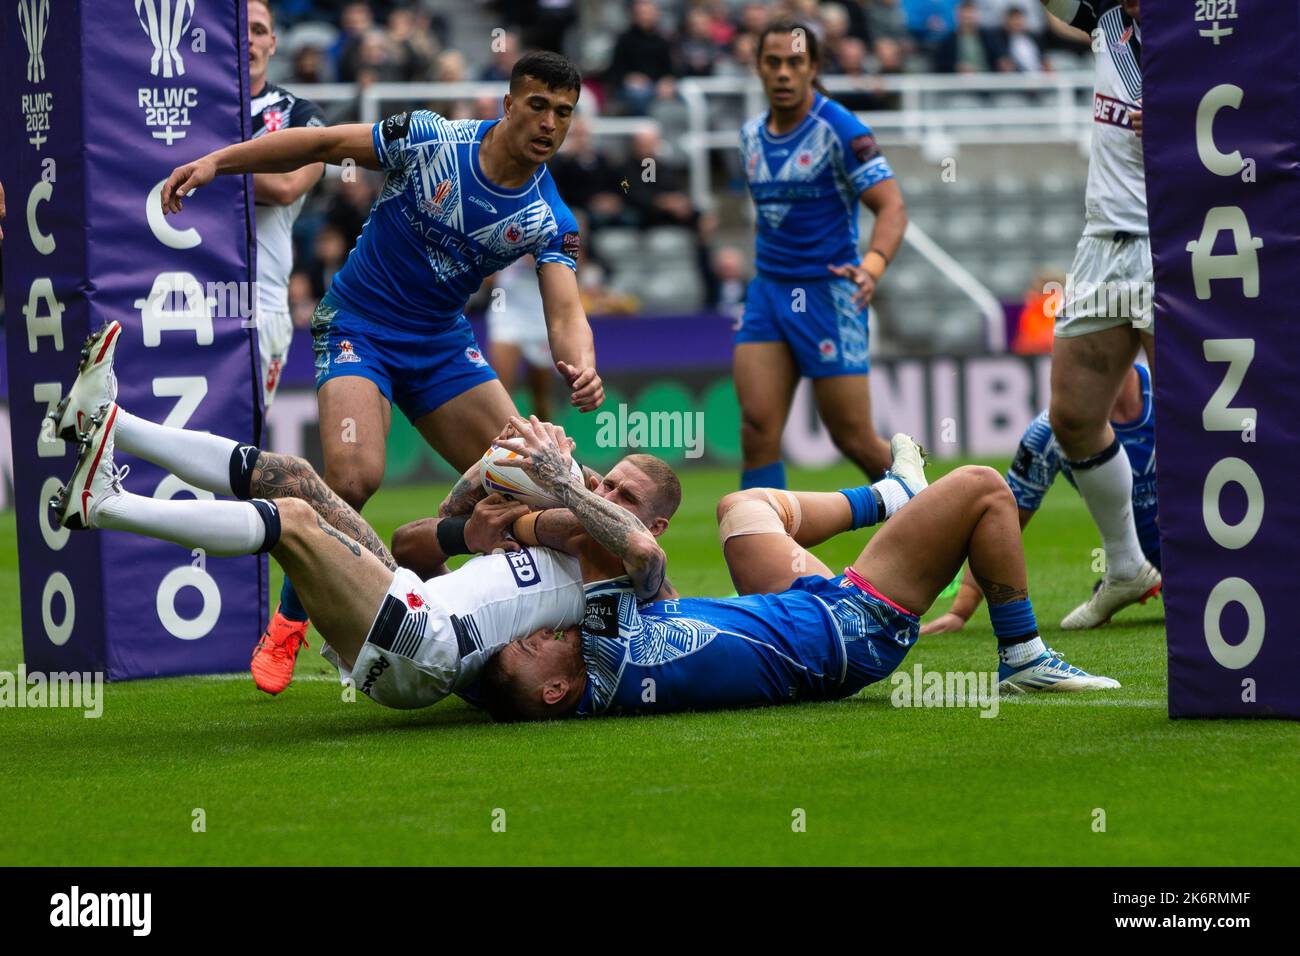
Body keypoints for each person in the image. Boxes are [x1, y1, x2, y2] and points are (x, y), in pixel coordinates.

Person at [160, 51, 605, 694]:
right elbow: (321, 141)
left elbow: (566, 309)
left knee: (537, 478)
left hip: (442, 347)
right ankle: (289, 620)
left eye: (563, 113)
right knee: (353, 475)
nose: (549, 124)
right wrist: (218, 162)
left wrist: (582, 366)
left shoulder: (547, 217)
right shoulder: (430, 140)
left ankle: (512, 624)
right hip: (358, 328)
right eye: (537, 106)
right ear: (507, 104)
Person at [44, 326, 620, 710]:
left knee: (294, 519)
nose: (608, 487)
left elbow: (637, 551)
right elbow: (414, 538)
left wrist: (561, 487)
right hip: (417, 606)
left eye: (623, 490)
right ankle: (109, 419)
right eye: (611, 479)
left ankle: (107, 506)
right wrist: (496, 471)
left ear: (651, 524)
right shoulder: (575, 541)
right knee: (290, 477)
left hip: (428, 646)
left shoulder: (626, 571)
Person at [476, 418, 1120, 721]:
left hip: (798, 613)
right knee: (982, 486)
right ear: (554, 691)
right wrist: (555, 485)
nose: (537, 632)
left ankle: (894, 497)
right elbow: (633, 549)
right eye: (532, 647)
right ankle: (1025, 654)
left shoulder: (600, 655)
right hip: (845, 626)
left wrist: (485, 520)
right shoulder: (607, 654)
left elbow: (615, 549)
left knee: (740, 507)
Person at [734, 18, 908, 490]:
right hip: (768, 293)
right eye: (774, 63)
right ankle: (764, 554)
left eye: (795, 62)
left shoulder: (841, 129)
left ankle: (937, 523)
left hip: (828, 296)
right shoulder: (750, 134)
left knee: (852, 437)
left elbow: (891, 205)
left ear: (813, 67)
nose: (784, 73)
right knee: (756, 430)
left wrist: (872, 267)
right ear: (758, 68)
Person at [1036, 0, 1159, 629]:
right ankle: (1126, 566)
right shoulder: (1107, 20)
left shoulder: (1218, 37)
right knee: (1075, 417)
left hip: (1180, 240)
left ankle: (1230, 568)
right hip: (1104, 244)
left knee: (1204, 423)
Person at [924, 363, 1158, 634]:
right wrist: (959, 612)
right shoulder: (1051, 431)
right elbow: (1000, 523)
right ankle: (1128, 570)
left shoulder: (1176, 395)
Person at [245, 0, 325, 411]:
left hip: (260, 300)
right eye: (239, 30)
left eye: (259, 30)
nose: (249, 39)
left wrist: (207, 165)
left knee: (247, 437)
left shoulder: (300, 115)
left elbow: (288, 186)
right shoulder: (191, 112)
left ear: (273, 43)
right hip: (186, 292)